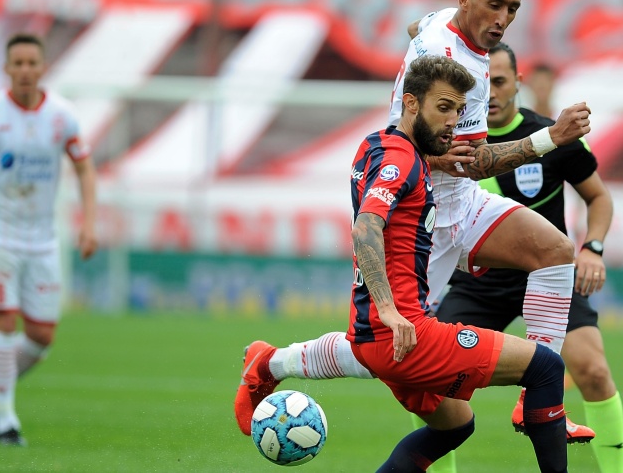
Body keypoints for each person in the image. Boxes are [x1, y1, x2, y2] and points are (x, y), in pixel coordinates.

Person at [234, 0, 596, 444]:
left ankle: (533, 401)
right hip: (422, 215)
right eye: (495, 5)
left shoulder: (446, 22)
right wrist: (550, 139)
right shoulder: (450, 64)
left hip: (462, 203)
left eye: (513, 8)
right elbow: (475, 159)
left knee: (556, 250)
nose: (504, 19)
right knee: (384, 349)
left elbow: (416, 26)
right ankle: (272, 361)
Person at [237, 55, 570, 472]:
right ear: (410, 103)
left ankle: (272, 362)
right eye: (444, 108)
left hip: (373, 337)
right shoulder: (402, 162)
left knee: (455, 426)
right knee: (546, 368)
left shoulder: (376, 144)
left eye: (459, 111)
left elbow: (402, 205)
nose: (453, 122)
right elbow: (366, 228)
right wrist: (392, 311)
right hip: (408, 338)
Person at [432, 42, 623, 472]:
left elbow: (598, 198)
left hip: (547, 276)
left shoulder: (550, 133)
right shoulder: (455, 141)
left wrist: (593, 248)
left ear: (517, 82)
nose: (493, 92)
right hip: (480, 283)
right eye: (485, 83)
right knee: (432, 380)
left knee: (593, 371)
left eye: (500, 81)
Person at [0, 33, 98, 446]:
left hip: (42, 239)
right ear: (7, 69)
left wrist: (88, 224)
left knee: (41, 336)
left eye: (33, 62)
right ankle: (5, 421)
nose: (26, 70)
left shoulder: (62, 116)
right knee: (1, 320)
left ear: (43, 67)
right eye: (19, 63)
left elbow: (84, 169)